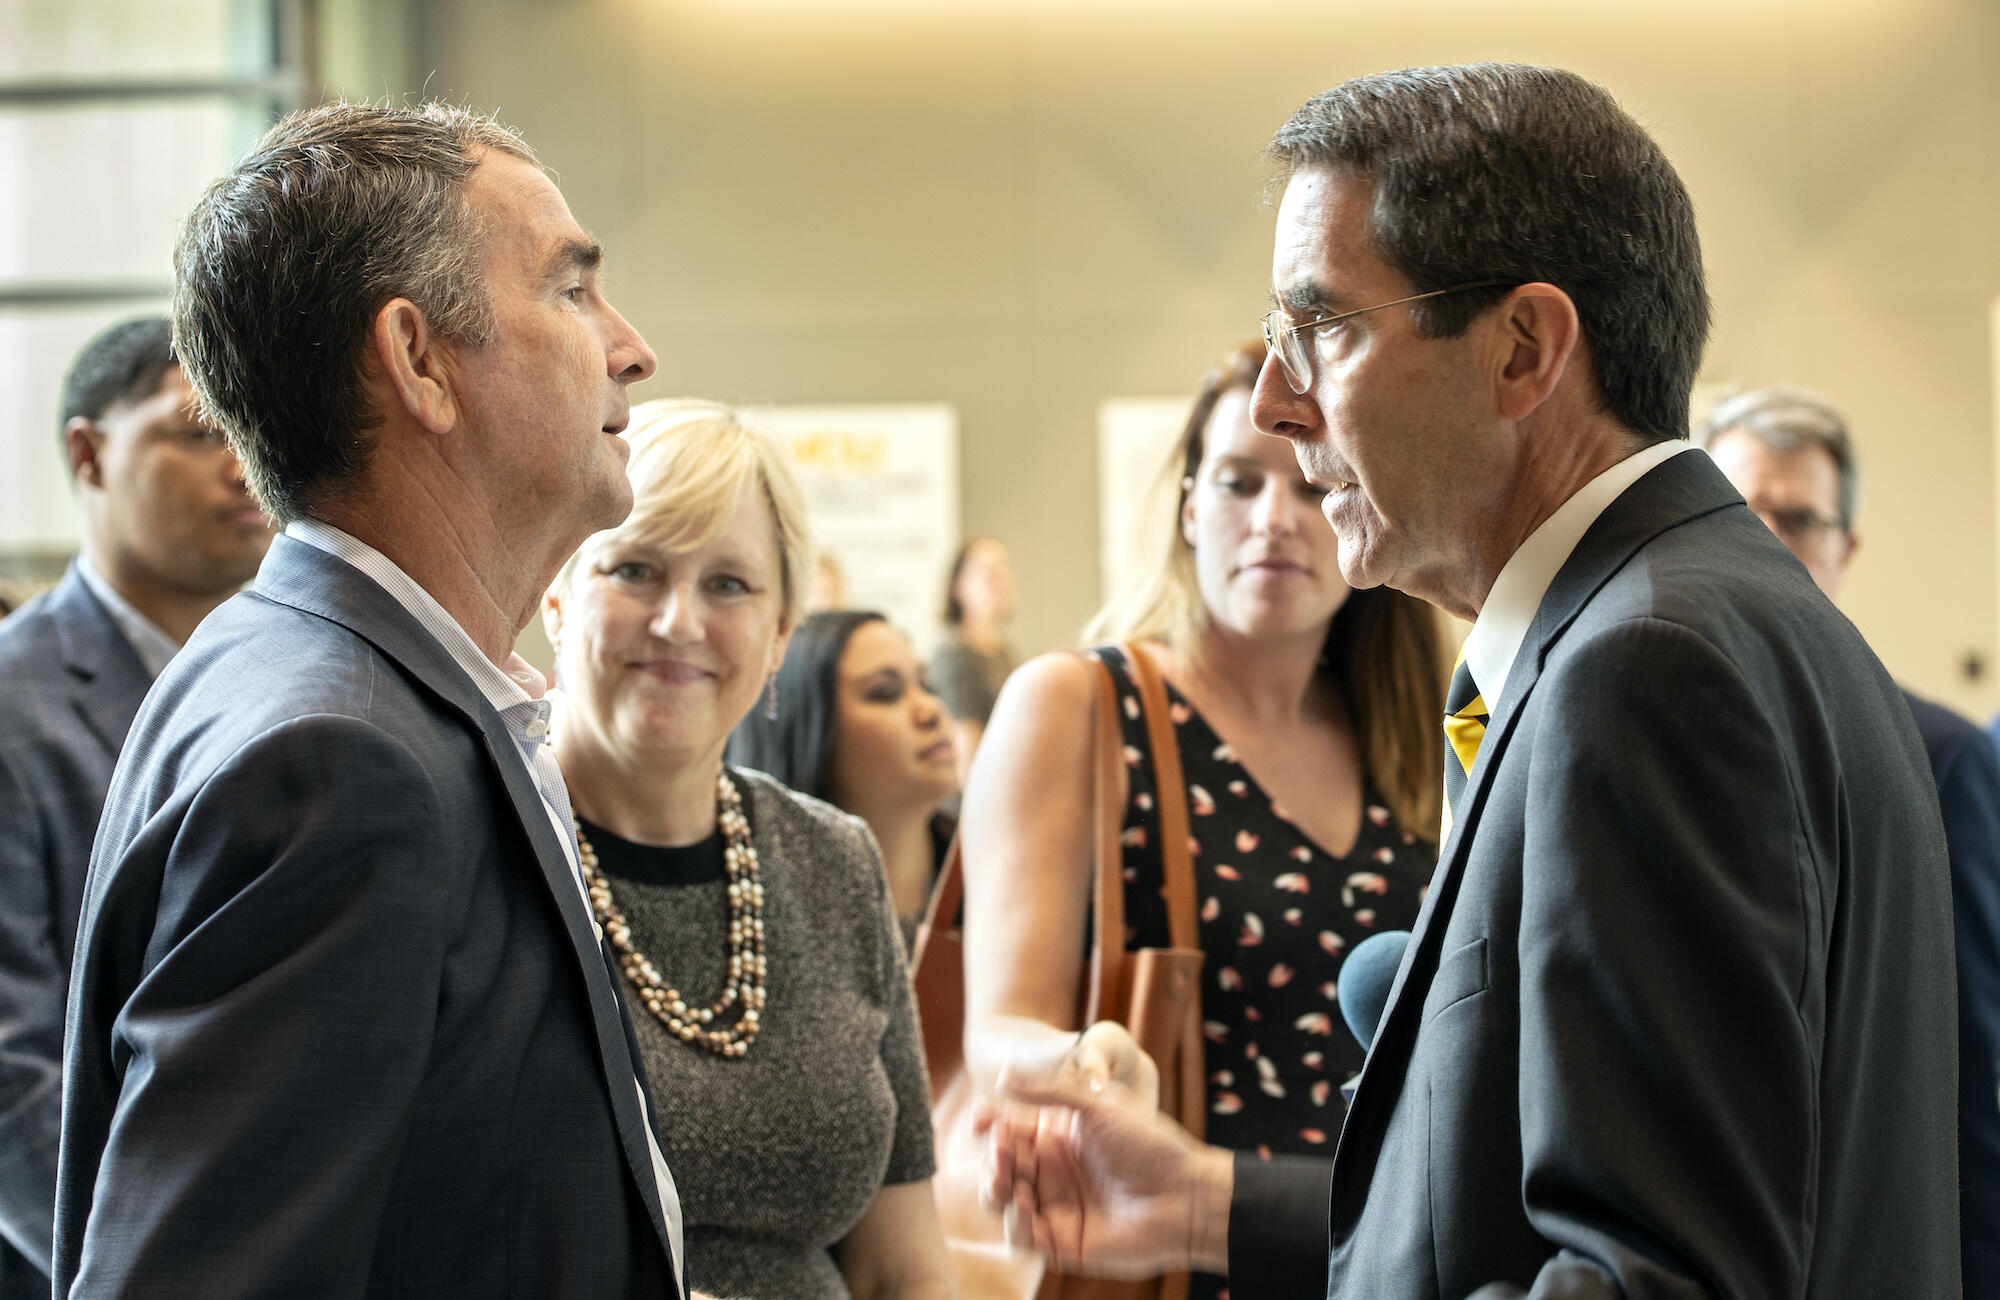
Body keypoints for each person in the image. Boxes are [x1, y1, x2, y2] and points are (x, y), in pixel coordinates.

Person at [984, 63, 1958, 1298]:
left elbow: (1652, 1273)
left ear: (1520, 349)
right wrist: (1196, 1202)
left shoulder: (1644, 671)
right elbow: (1503, 1203)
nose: (1280, 405)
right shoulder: (1707, 623)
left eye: (1319, 329)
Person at [56, 103, 689, 1297]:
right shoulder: (340, 760)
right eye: (570, 291)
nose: (630, 347)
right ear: (418, 362)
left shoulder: (314, 675)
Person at [960, 338, 1444, 1298]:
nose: (1274, 520)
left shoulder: (1411, 734)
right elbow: (999, 1025)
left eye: (1312, 485)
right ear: (1189, 511)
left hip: (1377, 1251)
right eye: (1236, 484)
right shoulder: (1079, 702)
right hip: (1168, 1252)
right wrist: (1087, 1063)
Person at [544, 399, 955, 1300]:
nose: (679, 621)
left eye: (729, 585)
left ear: (779, 637)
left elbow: (904, 1267)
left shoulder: (833, 861)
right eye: (637, 570)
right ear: (557, 599)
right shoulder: (486, 841)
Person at [1698, 385, 2000, 1298]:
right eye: (1742, 513)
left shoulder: (1937, 756)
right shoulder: (1648, 734)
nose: (1770, 542)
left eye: (1799, 518)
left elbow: (1963, 1068)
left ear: (1847, 547)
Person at [0, 317, 270, 1298]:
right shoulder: (14, 704)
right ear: (88, 453)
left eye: (249, 429)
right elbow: (10, 1079)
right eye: (198, 433)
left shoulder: (284, 689)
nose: (242, 467)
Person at [727, 608, 960, 944]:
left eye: (927, 685)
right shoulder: (755, 919)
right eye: (886, 693)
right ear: (806, 730)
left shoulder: (993, 874)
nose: (930, 710)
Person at [930, 536, 1018, 767]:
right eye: (988, 573)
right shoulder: (955, 654)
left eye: (1003, 570)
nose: (1000, 582)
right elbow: (966, 752)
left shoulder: (1002, 650)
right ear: (958, 586)